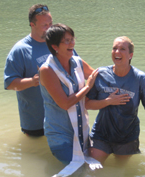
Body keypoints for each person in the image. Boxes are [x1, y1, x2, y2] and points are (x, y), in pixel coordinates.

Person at [86, 36, 145, 164]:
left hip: (127, 136)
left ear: (130, 55)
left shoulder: (139, 78)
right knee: (92, 169)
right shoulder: (101, 74)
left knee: (119, 171)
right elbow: (86, 104)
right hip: (101, 134)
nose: (117, 52)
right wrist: (108, 101)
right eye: (114, 48)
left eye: (122, 49)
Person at [39, 23, 97, 167]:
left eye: (72, 39)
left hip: (81, 131)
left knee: (92, 167)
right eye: (66, 40)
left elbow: (98, 76)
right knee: (77, 171)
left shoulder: (77, 61)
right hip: (60, 136)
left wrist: (132, 77)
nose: (72, 43)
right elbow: (64, 103)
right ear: (55, 46)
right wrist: (87, 87)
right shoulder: (47, 70)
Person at [3, 4, 53, 136]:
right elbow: (9, 84)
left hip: (59, 117)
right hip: (34, 121)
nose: (49, 28)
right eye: (44, 25)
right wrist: (33, 81)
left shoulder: (57, 43)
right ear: (32, 24)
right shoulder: (20, 50)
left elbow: (78, 65)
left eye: (50, 23)